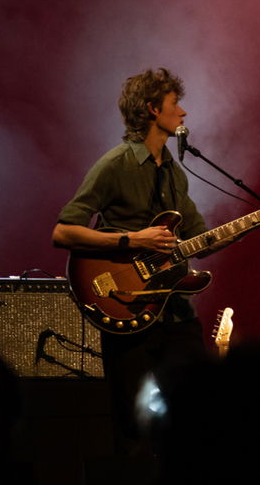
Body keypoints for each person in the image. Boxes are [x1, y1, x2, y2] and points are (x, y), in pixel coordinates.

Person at [52, 68, 239, 445]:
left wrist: (259, 220)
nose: (183, 112)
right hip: (127, 308)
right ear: (153, 109)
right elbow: (63, 231)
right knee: (134, 427)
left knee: (198, 415)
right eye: (175, 104)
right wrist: (132, 239)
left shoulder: (174, 173)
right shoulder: (115, 165)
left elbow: (199, 239)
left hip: (176, 313)